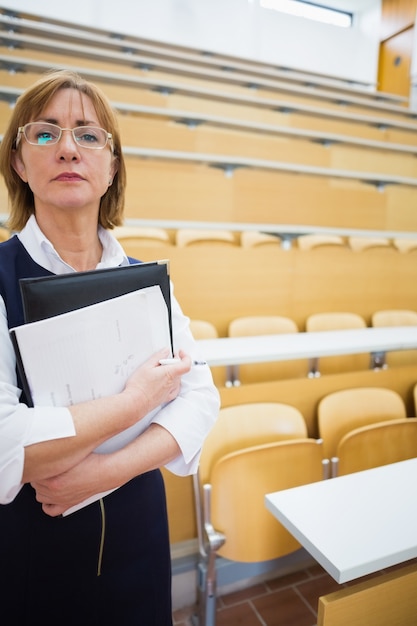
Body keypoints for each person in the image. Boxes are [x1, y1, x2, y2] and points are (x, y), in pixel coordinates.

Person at [0, 69, 220, 626]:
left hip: (140, 543)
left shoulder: (146, 279)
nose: (69, 147)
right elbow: (4, 442)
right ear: (20, 163)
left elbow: (200, 398)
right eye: (45, 133)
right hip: (31, 555)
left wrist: (107, 471)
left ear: (111, 166)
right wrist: (134, 403)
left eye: (88, 135)